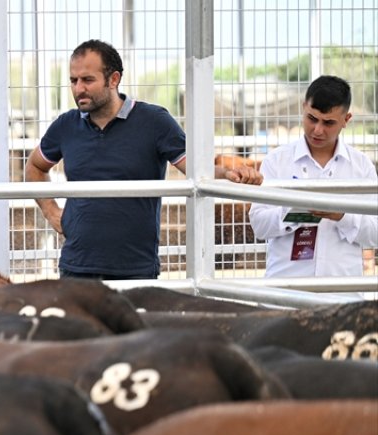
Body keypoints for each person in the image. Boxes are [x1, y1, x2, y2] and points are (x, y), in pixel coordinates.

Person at [24, 39, 263, 279]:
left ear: (114, 79)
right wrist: (51, 211)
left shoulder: (154, 121)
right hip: (76, 268)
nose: (78, 89)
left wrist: (231, 174)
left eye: (87, 80)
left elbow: (196, 169)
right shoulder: (66, 125)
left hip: (136, 269)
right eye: (73, 81)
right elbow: (35, 166)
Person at [249, 75, 378, 277]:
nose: (317, 130)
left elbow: (375, 233)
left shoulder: (361, 167)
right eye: (312, 118)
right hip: (285, 290)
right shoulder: (276, 161)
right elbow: (259, 225)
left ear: (346, 120)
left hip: (342, 292)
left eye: (328, 123)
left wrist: (342, 216)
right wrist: (297, 211)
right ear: (303, 108)